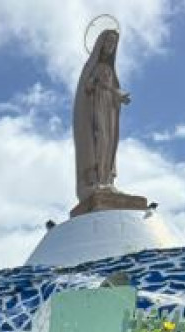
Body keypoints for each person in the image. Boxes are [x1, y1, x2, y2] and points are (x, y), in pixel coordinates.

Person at [73, 28, 131, 204]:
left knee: (109, 143)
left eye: (114, 43)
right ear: (100, 44)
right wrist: (93, 84)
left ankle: (107, 180)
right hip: (95, 107)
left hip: (109, 110)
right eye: (108, 41)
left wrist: (119, 96)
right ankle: (96, 181)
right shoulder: (93, 67)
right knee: (100, 141)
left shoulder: (111, 70)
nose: (111, 46)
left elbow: (114, 89)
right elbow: (86, 87)